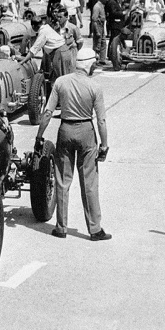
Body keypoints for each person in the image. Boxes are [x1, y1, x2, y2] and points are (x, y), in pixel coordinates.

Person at [34, 54, 110, 241]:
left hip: (65, 129)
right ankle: (95, 229)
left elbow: (48, 112)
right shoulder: (94, 87)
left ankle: (61, 227)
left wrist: (39, 135)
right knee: (89, 182)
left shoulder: (61, 82)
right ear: (89, 64)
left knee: (62, 180)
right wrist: (104, 145)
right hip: (86, 131)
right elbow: (100, 120)